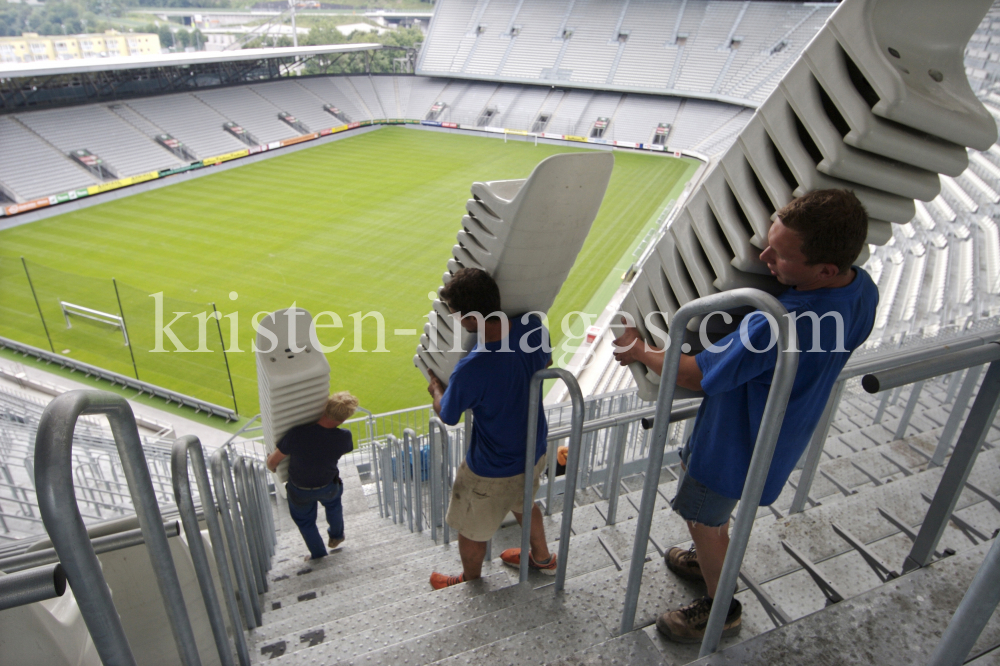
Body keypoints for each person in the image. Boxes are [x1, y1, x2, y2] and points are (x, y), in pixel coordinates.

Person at [613, 189, 879, 643]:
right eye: (769, 242)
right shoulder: (861, 289)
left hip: (732, 444)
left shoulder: (778, 322)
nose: (763, 256)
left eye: (781, 254)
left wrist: (640, 349)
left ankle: (721, 608)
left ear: (825, 269)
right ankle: (708, 556)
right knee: (716, 516)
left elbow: (696, 374)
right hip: (782, 432)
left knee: (704, 518)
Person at [426, 267, 556, 589]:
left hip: (491, 469)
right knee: (525, 502)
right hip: (534, 450)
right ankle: (543, 559)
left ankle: (470, 580)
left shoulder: (472, 366)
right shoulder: (532, 327)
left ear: (470, 319)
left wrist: (435, 390)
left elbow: (448, 415)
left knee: (470, 528)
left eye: (457, 314)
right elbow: (546, 362)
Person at [267, 391, 358, 562]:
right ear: (344, 419)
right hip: (328, 485)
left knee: (305, 523)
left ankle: (318, 554)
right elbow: (344, 448)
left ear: (325, 408)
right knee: (334, 506)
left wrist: (272, 468)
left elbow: (273, 461)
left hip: (300, 490)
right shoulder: (344, 437)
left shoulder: (298, 434)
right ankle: (336, 535)